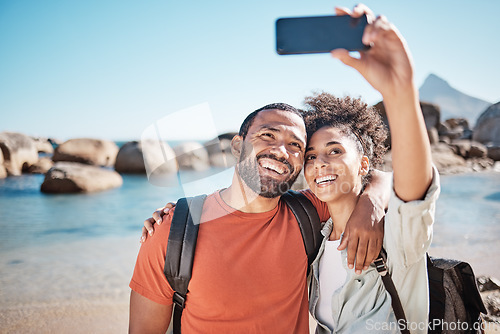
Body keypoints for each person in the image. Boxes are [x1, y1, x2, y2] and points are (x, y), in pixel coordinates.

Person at [302, 5, 439, 334]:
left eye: (335, 151)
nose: (319, 162)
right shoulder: (314, 247)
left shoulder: (395, 237)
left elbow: (414, 195)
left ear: (364, 164)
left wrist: (399, 91)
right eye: (310, 155)